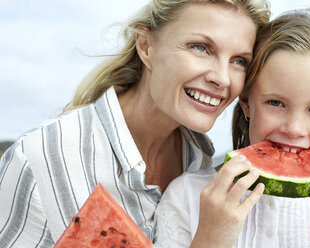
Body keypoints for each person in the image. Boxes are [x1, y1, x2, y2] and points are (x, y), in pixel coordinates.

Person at [0, 0, 271, 247]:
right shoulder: (41, 160)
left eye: (239, 61)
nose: (222, 78)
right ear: (146, 46)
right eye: (200, 47)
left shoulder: (200, 161)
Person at [154, 9, 310, 248]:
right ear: (246, 102)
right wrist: (211, 239)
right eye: (276, 103)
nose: (294, 129)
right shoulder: (187, 195)